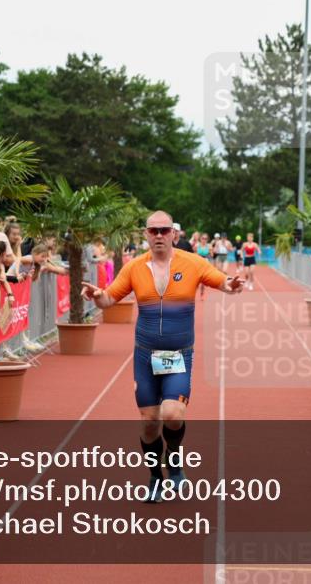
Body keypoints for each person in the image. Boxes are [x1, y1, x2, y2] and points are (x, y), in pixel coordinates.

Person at [81, 211, 244, 501]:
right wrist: (97, 296)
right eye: (153, 231)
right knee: (149, 421)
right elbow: (108, 300)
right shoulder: (134, 267)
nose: (159, 236)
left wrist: (230, 285)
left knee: (172, 414)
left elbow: (222, 281)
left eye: (164, 230)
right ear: (146, 234)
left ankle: (175, 461)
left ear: (174, 234)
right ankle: (155, 476)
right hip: (145, 355)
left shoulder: (193, 263)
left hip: (179, 355)